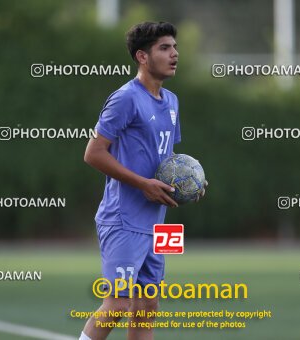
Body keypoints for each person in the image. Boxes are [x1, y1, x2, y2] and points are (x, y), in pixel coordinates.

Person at [81, 22, 205, 340]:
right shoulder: (125, 98)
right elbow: (93, 153)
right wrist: (142, 184)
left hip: (159, 223)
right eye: (164, 48)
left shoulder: (172, 101)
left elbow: (166, 159)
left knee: (147, 309)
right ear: (142, 56)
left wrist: (189, 183)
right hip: (123, 218)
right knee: (118, 304)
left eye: (175, 47)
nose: (174, 54)